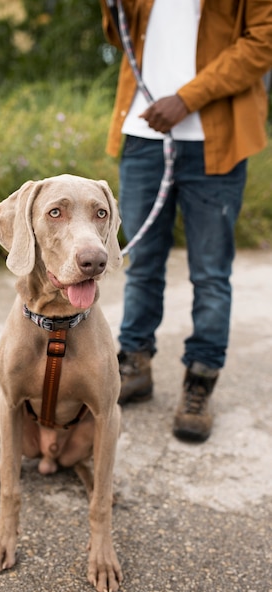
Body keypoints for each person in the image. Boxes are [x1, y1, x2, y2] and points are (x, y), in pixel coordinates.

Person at [100, 0, 272, 441]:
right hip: (143, 133)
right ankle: (134, 361)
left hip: (216, 139)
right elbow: (120, 36)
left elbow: (262, 42)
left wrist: (186, 99)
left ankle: (200, 380)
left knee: (211, 272)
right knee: (142, 263)